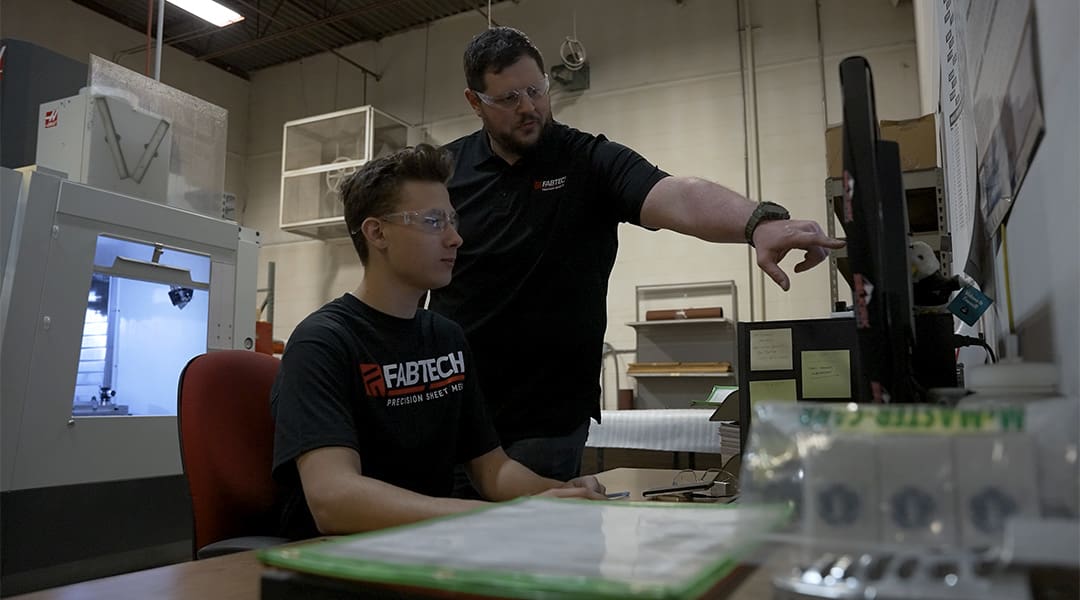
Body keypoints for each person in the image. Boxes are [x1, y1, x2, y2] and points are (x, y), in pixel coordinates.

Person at [430, 27, 846, 484]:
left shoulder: (586, 160)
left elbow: (678, 196)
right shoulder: (441, 173)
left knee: (535, 547)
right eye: (508, 98)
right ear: (475, 102)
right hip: (453, 409)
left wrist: (759, 222)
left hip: (545, 421)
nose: (528, 107)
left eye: (536, 90)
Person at [270, 144, 606, 540]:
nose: (455, 238)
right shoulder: (324, 343)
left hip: (425, 546)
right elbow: (334, 500)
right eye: (433, 222)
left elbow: (493, 470)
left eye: (452, 219)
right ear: (376, 232)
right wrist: (487, 518)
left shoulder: (445, 337)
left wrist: (558, 493)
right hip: (335, 560)